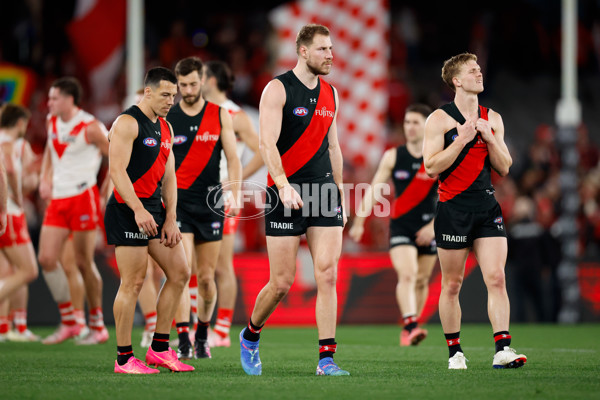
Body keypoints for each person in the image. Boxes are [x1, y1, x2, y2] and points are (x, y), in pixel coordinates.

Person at [239, 24, 349, 376]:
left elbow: (333, 147)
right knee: (282, 283)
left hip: (324, 191)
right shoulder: (278, 89)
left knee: (328, 275)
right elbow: (266, 144)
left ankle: (326, 360)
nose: (330, 55)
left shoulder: (331, 93)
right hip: (284, 192)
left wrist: (341, 193)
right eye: (322, 49)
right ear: (303, 51)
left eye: (331, 49)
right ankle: (251, 335)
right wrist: (283, 185)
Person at [422, 52, 527, 370]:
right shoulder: (439, 119)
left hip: (486, 206)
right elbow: (430, 167)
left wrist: (490, 138)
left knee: (496, 278)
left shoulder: (492, 117)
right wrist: (462, 139)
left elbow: (505, 167)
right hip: (453, 209)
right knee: (452, 284)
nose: (479, 73)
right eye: (472, 70)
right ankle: (455, 353)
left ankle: (502, 349)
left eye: (479, 69)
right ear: (457, 80)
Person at [106, 67, 194, 374]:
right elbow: (116, 171)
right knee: (133, 282)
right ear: (148, 92)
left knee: (181, 272)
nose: (171, 100)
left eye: (174, 95)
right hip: (126, 209)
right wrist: (138, 210)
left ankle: (159, 348)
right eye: (165, 94)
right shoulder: (127, 123)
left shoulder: (167, 128)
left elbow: (170, 177)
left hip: (155, 211)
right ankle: (123, 358)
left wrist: (170, 218)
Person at [167, 57, 241, 360]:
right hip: (180, 205)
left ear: (203, 81)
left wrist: (234, 194)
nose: (187, 90)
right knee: (184, 273)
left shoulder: (220, 115)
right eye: (182, 85)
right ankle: (182, 337)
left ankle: (202, 335)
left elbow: (234, 159)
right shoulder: (169, 117)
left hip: (211, 206)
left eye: (192, 84)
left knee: (208, 278)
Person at [349, 103, 438, 346]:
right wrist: (359, 221)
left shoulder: (438, 157)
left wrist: (434, 226)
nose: (409, 127)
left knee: (421, 280)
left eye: (415, 122)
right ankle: (410, 325)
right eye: (407, 122)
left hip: (430, 228)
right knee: (407, 274)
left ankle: (411, 325)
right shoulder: (393, 156)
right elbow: (374, 189)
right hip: (401, 225)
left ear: (427, 126)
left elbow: (452, 195)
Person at [37, 77, 109, 345]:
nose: (50, 102)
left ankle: (97, 324)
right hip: (58, 198)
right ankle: (70, 321)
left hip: (82, 197)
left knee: (82, 262)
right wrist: (45, 177)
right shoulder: (51, 120)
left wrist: (105, 190)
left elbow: (116, 154)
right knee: (47, 259)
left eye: (55, 98)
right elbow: (49, 150)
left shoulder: (90, 127)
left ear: (70, 100)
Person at [202, 60, 264, 348]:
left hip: (221, 199)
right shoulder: (196, 112)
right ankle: (193, 328)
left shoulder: (235, 115)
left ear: (212, 81)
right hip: (194, 196)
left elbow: (263, 152)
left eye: (200, 77)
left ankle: (222, 330)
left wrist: (235, 179)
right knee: (191, 268)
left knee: (221, 267)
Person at [0, 104, 39, 340]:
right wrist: (17, 196)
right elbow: (12, 171)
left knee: (6, 271)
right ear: (20, 122)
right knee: (27, 270)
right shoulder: (10, 143)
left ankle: (4, 328)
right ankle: (18, 326)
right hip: (10, 213)